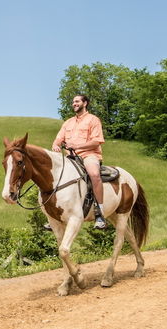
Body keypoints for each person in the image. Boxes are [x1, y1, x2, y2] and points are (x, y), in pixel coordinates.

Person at [51, 94, 106, 229]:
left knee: (94, 174)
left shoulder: (93, 120)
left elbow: (96, 141)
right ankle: (54, 214)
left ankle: (100, 213)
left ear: (85, 103)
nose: (74, 104)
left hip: (89, 155)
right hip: (70, 158)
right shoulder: (68, 122)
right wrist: (56, 145)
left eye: (77, 101)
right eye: (73, 102)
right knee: (53, 176)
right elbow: (59, 138)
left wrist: (77, 146)